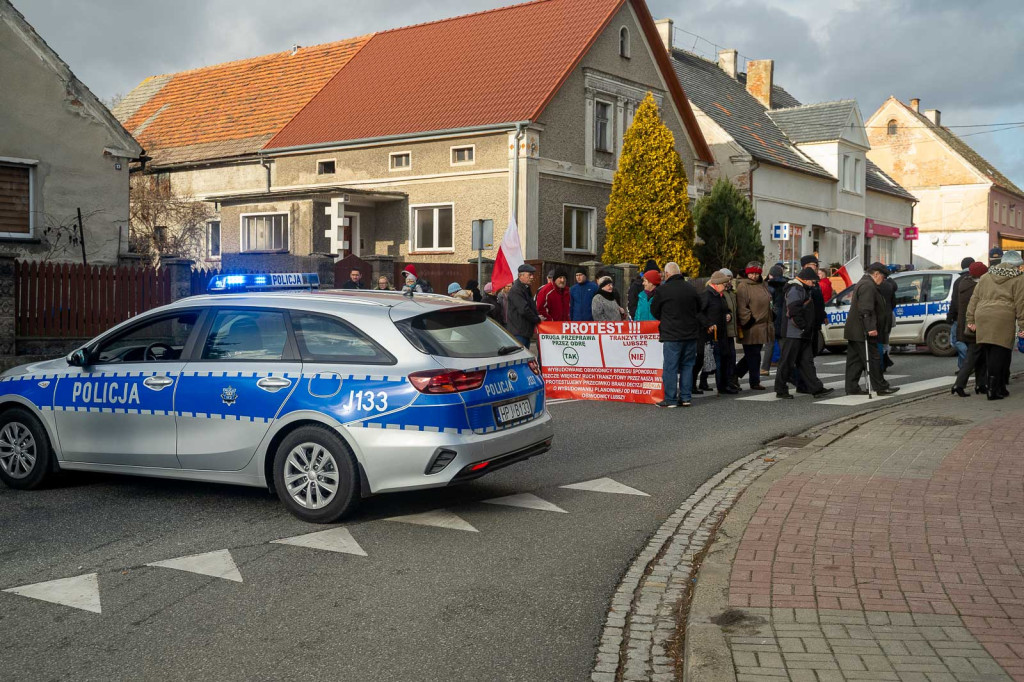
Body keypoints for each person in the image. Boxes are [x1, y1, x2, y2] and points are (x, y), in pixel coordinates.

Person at [967, 250, 1024, 400]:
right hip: (1003, 318)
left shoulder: (986, 277)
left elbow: (974, 299)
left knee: (990, 352)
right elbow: (1021, 304)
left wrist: (970, 320)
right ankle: (993, 390)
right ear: (1016, 266)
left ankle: (1000, 387)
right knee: (1001, 354)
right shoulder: (1019, 279)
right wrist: (1023, 326)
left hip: (982, 316)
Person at [775, 267, 833, 399]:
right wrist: (804, 327)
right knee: (787, 362)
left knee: (807, 362)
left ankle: (816, 389)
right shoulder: (796, 289)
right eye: (813, 282)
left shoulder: (801, 288)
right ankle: (781, 389)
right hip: (794, 333)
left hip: (801, 333)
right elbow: (794, 311)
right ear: (805, 280)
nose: (814, 284)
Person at [843, 262, 899, 396]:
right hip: (863, 330)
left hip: (855, 330)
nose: (883, 280)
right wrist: (870, 328)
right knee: (873, 358)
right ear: (876, 274)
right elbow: (866, 309)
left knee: (855, 360)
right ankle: (881, 387)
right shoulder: (868, 286)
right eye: (883, 277)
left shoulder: (864, 283)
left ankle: (852, 387)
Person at [651, 262, 701, 407]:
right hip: (691, 334)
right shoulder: (691, 288)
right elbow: (699, 308)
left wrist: (666, 317)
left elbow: (655, 311)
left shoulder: (663, 290)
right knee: (687, 366)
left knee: (670, 367)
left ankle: (671, 399)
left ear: (667, 274)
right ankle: (685, 398)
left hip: (672, 335)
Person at [951, 261, 989, 397]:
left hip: (964, 325)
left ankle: (981, 384)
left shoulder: (963, 282)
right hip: (974, 326)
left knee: (980, 356)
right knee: (972, 357)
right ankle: (959, 385)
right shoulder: (976, 287)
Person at [734, 262, 772, 390]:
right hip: (750, 326)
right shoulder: (743, 286)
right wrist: (748, 321)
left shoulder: (762, 284)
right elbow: (741, 306)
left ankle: (735, 375)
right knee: (753, 355)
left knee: (753, 355)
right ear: (747, 273)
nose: (754, 276)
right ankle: (753, 380)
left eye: (756, 273)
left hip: (762, 325)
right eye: (751, 273)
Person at [698, 270, 737, 395]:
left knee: (724, 358)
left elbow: (726, 310)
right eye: (724, 284)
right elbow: (698, 312)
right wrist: (708, 324)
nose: (726, 286)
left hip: (722, 332)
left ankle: (725, 385)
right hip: (711, 335)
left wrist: (729, 315)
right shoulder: (707, 295)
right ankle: (721, 386)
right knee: (717, 361)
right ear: (717, 284)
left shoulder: (720, 295)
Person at [946, 257, 976, 370]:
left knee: (956, 341)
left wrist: (950, 316)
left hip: (960, 317)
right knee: (968, 341)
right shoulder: (979, 279)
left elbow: (954, 301)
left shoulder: (959, 281)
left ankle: (969, 363)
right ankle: (962, 367)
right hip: (974, 317)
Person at [507, 264, 543, 349]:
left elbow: (531, 306)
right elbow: (524, 309)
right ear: (520, 275)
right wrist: (537, 319)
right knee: (520, 357)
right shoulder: (516, 290)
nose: (532, 277)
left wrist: (536, 316)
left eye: (532, 275)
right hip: (519, 332)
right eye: (529, 275)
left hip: (524, 331)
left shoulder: (525, 288)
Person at [761, 263, 788, 377]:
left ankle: (764, 368)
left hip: (772, 317)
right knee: (783, 345)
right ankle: (784, 368)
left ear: (771, 275)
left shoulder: (768, 287)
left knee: (769, 345)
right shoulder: (787, 285)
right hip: (783, 318)